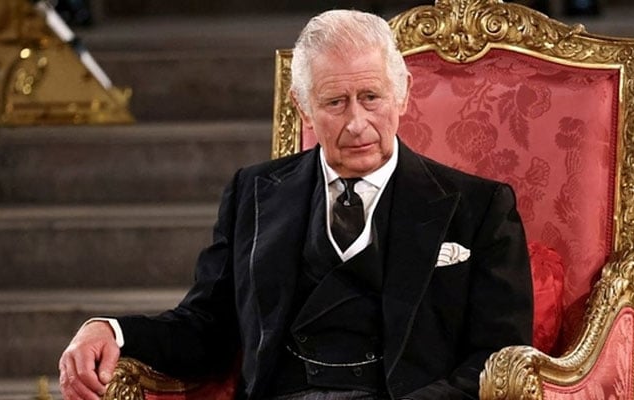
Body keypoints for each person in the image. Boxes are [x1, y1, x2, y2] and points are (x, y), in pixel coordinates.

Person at [59, 10, 533, 400]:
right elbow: (206, 328)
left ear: (403, 92)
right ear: (302, 106)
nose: (357, 122)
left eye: (371, 97)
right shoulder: (253, 192)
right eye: (335, 102)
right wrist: (112, 330)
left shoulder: (479, 206)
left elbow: (497, 358)